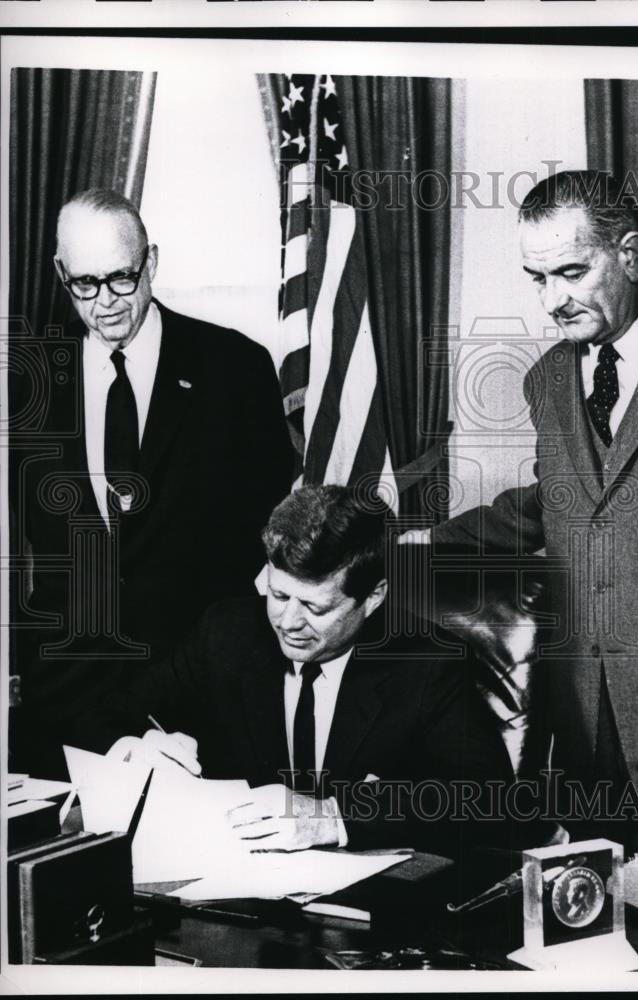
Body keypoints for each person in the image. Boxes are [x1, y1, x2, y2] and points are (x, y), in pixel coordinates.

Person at [408, 171, 638, 852]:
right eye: (537, 277)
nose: (552, 299)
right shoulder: (548, 379)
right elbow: (554, 502)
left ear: (632, 251)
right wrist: (420, 542)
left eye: (572, 272)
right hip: (582, 724)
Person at [9, 189, 293, 777]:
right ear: (62, 274)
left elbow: (261, 535)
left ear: (152, 263)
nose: (105, 303)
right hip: (67, 697)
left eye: (121, 279)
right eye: (84, 284)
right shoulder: (26, 381)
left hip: (197, 698)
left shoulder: (234, 368)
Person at [93, 485, 529, 855]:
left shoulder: (427, 661)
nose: (288, 623)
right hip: (232, 892)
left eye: (315, 607)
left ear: (374, 598)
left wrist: (331, 817)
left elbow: (484, 801)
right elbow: (108, 714)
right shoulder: (225, 633)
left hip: (362, 914)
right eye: (279, 596)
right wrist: (135, 745)